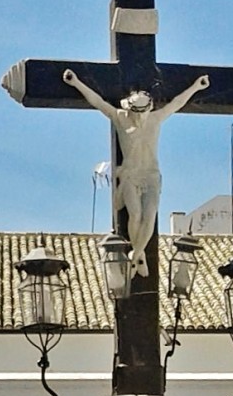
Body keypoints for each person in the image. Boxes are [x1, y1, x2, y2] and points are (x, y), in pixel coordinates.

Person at [62, 69, 210, 277]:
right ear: (129, 108)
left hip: (151, 175)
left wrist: (196, 87)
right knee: (136, 214)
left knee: (150, 215)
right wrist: (76, 83)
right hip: (130, 175)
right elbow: (98, 102)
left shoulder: (156, 119)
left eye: (143, 112)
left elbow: (177, 103)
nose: (140, 117)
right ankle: (138, 255)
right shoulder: (120, 118)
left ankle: (137, 254)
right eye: (137, 112)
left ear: (149, 109)